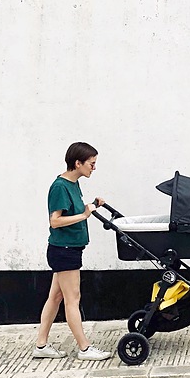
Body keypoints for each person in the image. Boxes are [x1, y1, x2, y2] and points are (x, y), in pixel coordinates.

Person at [33, 142, 113, 361]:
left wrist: (91, 205)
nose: (93, 168)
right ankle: (84, 348)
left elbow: (76, 210)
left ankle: (41, 345)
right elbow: (55, 221)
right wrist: (85, 215)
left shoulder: (73, 183)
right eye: (91, 164)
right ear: (77, 163)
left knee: (56, 297)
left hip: (68, 249)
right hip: (64, 250)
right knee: (72, 298)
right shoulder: (59, 186)